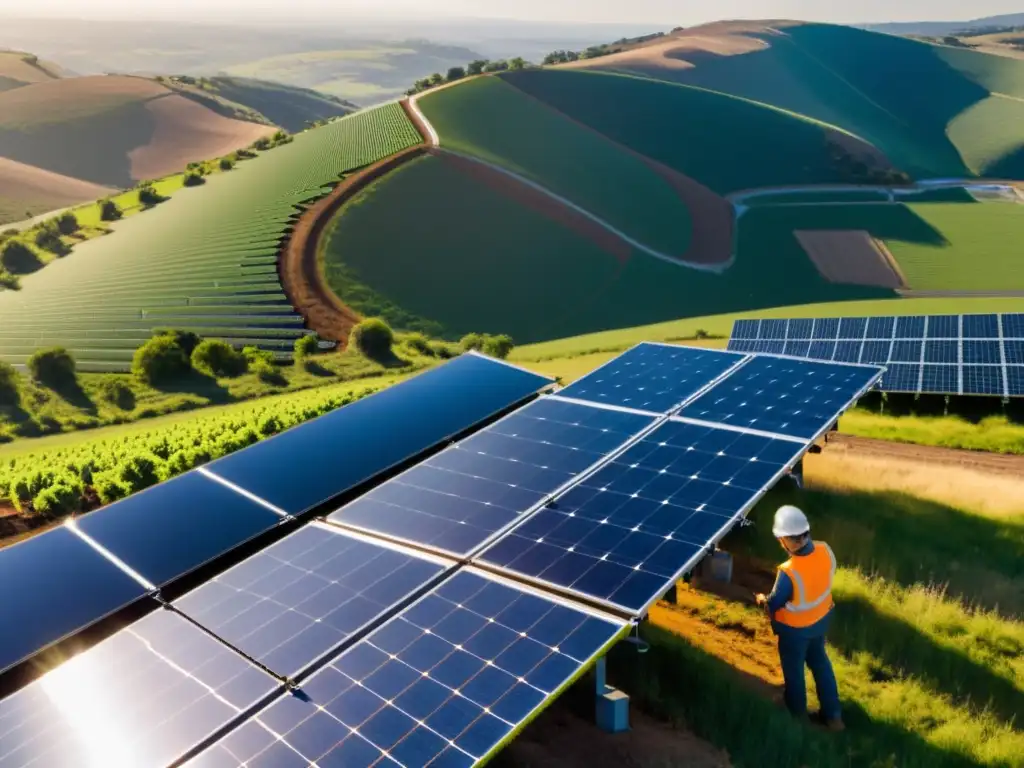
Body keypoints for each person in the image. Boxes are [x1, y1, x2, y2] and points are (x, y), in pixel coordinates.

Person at [755, 505, 844, 731]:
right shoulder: (826, 549)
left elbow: (774, 602)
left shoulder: (789, 571)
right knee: (821, 664)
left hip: (795, 631)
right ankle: (834, 717)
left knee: (794, 673)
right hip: (821, 620)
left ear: (789, 541)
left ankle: (797, 718)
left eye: (781, 539)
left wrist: (761, 600)